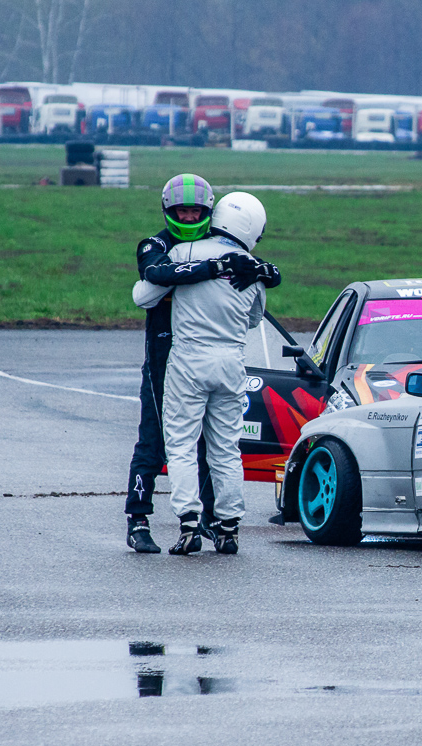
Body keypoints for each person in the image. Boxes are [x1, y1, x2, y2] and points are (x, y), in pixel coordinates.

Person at [124, 174, 279, 554]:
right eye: (183, 212)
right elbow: (150, 281)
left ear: (212, 214)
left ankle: (201, 521)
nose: (190, 218)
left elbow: (143, 295)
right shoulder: (160, 246)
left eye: (196, 212)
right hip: (168, 355)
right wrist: (224, 269)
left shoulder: (220, 256)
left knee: (202, 447)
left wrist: (262, 270)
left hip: (188, 358)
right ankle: (139, 519)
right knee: (156, 442)